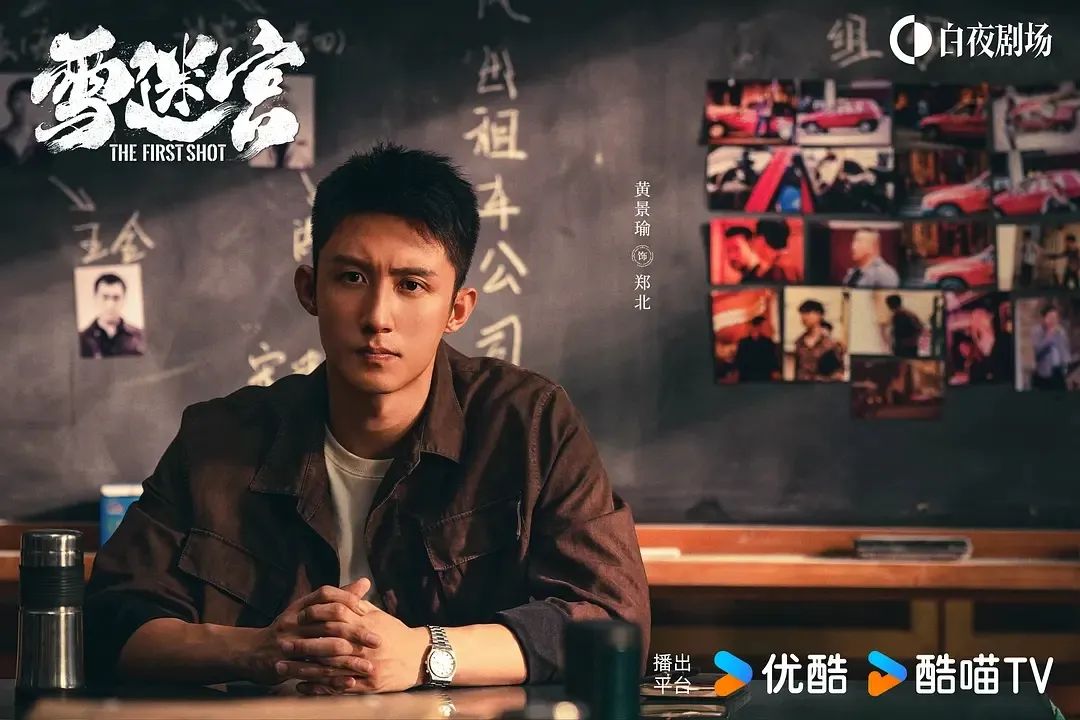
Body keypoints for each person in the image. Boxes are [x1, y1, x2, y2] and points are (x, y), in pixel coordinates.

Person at [84, 143, 651, 693]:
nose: (378, 316)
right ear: (309, 290)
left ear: (457, 309)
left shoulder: (530, 425)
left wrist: (425, 654)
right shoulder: (218, 440)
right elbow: (111, 623)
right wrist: (260, 650)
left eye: (412, 285)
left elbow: (612, 618)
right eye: (352, 278)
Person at [78, 273, 146, 358]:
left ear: (124, 300)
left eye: (116, 298)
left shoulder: (140, 338)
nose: (110, 305)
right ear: (95, 298)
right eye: (105, 297)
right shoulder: (81, 340)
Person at [0, 78, 50, 168]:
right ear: (9, 104)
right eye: (19, 100)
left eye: (30, 101)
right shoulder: (3, 139)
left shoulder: (49, 145)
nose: (25, 107)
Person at [793, 299, 845, 381]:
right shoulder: (799, 342)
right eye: (802, 313)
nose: (804, 317)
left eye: (808, 312)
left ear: (819, 314)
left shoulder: (831, 344)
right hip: (802, 386)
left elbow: (838, 373)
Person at [1031, 305, 1071, 390]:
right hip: (1044, 373)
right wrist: (1049, 335)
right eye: (1051, 317)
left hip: (1059, 371)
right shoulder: (1037, 331)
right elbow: (1037, 351)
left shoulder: (1060, 331)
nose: (1054, 320)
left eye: (1055, 318)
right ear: (1044, 318)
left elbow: (1064, 350)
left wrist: (1066, 367)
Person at [734, 315, 780, 382]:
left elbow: (773, 361)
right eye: (765, 326)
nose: (771, 329)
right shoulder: (743, 343)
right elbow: (739, 361)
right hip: (747, 379)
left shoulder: (768, 343)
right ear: (758, 327)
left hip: (764, 378)